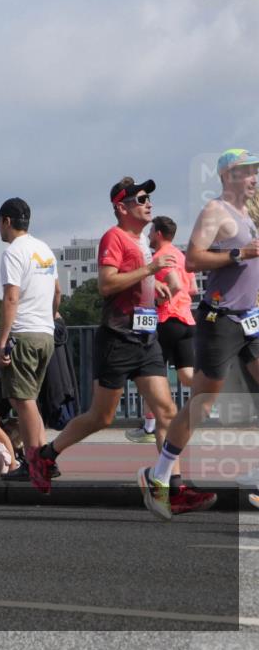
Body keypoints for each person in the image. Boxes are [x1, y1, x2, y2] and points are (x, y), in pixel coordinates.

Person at [32, 178, 214, 512]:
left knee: (167, 411)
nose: (149, 203)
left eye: (149, 199)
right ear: (121, 207)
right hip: (117, 339)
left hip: (146, 338)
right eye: (141, 199)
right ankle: (45, 455)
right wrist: (149, 269)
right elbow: (105, 284)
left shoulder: (142, 239)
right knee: (101, 417)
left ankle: (170, 486)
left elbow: (134, 280)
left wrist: (151, 287)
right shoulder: (113, 237)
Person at [139, 150, 259, 519]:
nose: (253, 177)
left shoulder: (251, 213)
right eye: (246, 172)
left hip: (251, 318)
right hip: (218, 320)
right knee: (203, 404)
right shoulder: (215, 211)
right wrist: (238, 253)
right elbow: (192, 259)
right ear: (227, 176)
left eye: (255, 171)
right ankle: (159, 476)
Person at [0, 198, 60, 484]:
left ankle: (33, 464)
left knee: (22, 401)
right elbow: (57, 292)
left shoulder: (13, 253)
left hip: (23, 334)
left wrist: (2, 340)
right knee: (30, 402)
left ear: (6, 221)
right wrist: (50, 317)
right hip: (45, 334)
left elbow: (10, 298)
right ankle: (45, 460)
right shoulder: (44, 250)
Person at [127, 217, 196, 444]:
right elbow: (193, 288)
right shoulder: (181, 256)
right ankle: (212, 395)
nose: (147, 236)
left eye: (150, 231)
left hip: (166, 319)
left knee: (151, 375)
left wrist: (157, 300)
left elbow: (174, 285)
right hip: (186, 320)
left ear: (157, 233)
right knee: (187, 376)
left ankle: (149, 426)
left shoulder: (160, 257)